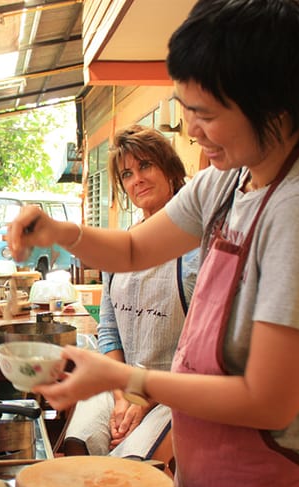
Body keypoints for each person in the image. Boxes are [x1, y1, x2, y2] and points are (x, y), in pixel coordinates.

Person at [6, 1, 299, 487]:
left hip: (275, 479)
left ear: (272, 100)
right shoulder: (230, 180)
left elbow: (268, 400)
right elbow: (130, 249)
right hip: (214, 467)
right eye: (187, 110)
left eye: (205, 113)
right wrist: (59, 231)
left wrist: (126, 378)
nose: (191, 130)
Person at [61, 126, 197, 462]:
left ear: (170, 169)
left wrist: (143, 399)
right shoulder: (119, 250)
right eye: (127, 173)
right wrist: (123, 396)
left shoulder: (198, 248)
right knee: (76, 447)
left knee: (130, 466)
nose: (137, 179)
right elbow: (108, 330)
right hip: (121, 384)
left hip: (175, 392)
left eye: (146, 166)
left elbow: (202, 349)